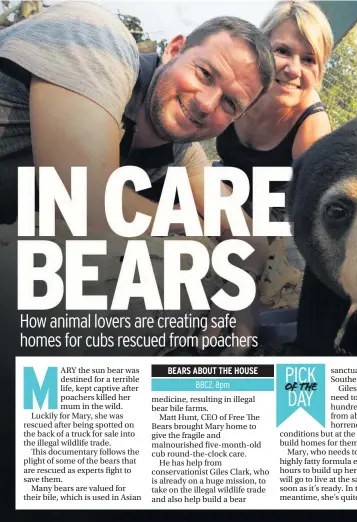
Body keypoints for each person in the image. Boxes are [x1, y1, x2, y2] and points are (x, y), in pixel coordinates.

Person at [0, 1, 276, 351]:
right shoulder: (96, 38)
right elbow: (82, 201)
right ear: (174, 50)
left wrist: (242, 295)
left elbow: (251, 237)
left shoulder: (178, 151)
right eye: (205, 74)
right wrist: (192, 224)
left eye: (229, 104)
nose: (207, 103)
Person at [215, 0, 334, 223]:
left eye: (309, 59)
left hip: (275, 216)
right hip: (225, 187)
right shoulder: (233, 88)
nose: (293, 69)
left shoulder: (311, 124)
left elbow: (314, 211)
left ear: (320, 70)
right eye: (282, 51)